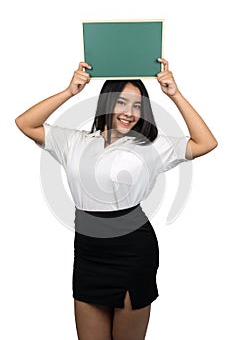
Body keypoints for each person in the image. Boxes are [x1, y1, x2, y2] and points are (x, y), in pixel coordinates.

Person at [15, 58, 217, 340]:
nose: (129, 112)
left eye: (137, 106)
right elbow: (24, 123)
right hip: (88, 253)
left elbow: (206, 142)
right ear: (107, 103)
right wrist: (69, 92)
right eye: (122, 102)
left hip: (132, 252)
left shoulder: (151, 145)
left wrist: (174, 94)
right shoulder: (75, 141)